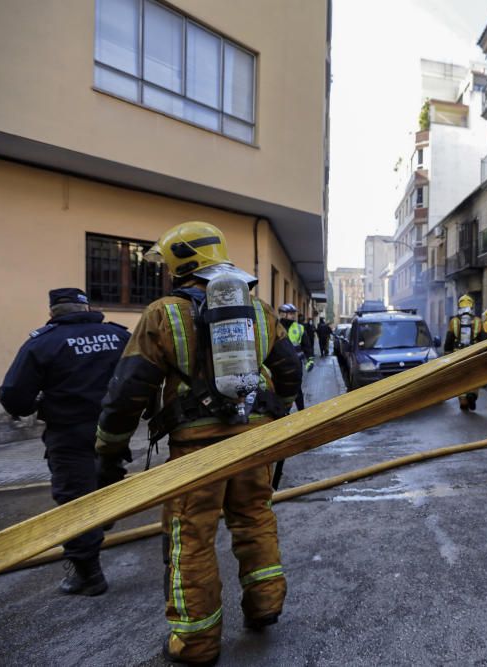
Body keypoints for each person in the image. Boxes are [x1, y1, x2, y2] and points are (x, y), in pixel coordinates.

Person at [94, 221, 303, 666]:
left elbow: (127, 392)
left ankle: (196, 642)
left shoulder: (163, 314)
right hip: (253, 442)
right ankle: (265, 604)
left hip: (197, 451)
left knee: (190, 538)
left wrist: (109, 452)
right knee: (254, 519)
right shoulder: (260, 310)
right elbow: (289, 371)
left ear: (180, 261)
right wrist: (276, 415)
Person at [0, 287, 130, 596]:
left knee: (75, 502)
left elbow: (14, 397)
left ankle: (89, 576)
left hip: (69, 435)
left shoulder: (42, 343)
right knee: (106, 483)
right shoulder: (119, 336)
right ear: (86, 308)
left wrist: (34, 405)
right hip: (114, 431)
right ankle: (103, 521)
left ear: (52, 313)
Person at [444, 294, 487, 410]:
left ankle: (463, 401)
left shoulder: (454, 321)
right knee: (474, 377)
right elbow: (483, 340)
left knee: (460, 378)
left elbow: (449, 340)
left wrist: (447, 355)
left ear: (459, 305)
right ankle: (472, 394)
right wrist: (484, 353)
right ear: (472, 305)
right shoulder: (478, 321)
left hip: (458, 355)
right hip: (474, 354)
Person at [279, 303, 310, 409]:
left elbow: (307, 346)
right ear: (283, 314)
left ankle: (302, 412)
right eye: (291, 313)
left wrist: (310, 360)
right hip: (280, 364)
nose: (293, 316)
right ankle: (283, 412)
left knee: (296, 389)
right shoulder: (275, 327)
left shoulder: (299, 327)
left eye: (293, 314)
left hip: (296, 364)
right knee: (280, 389)